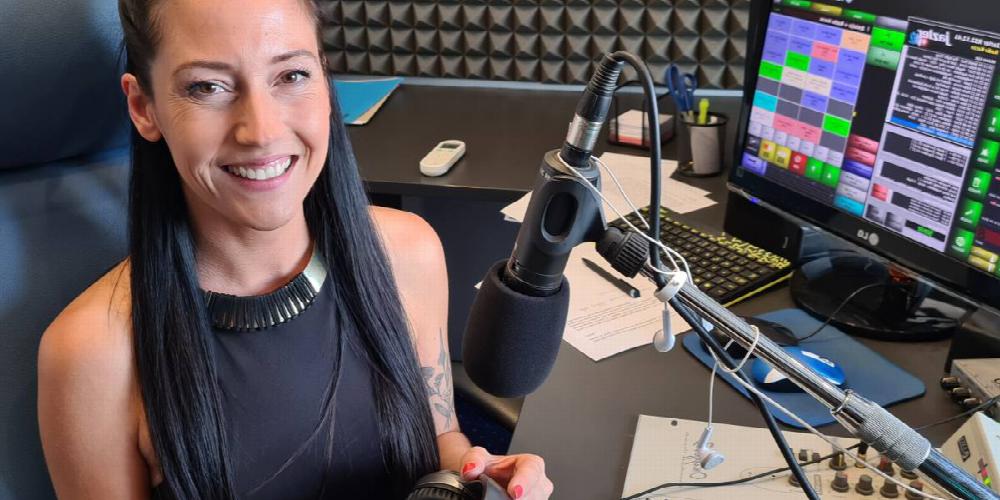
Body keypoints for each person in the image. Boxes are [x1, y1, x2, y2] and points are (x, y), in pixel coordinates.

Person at [36, 0, 554, 498]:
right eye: (207, 86)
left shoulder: (407, 252)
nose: (261, 131)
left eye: (291, 75)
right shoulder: (89, 354)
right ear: (143, 107)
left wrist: (476, 476)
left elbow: (440, 439)